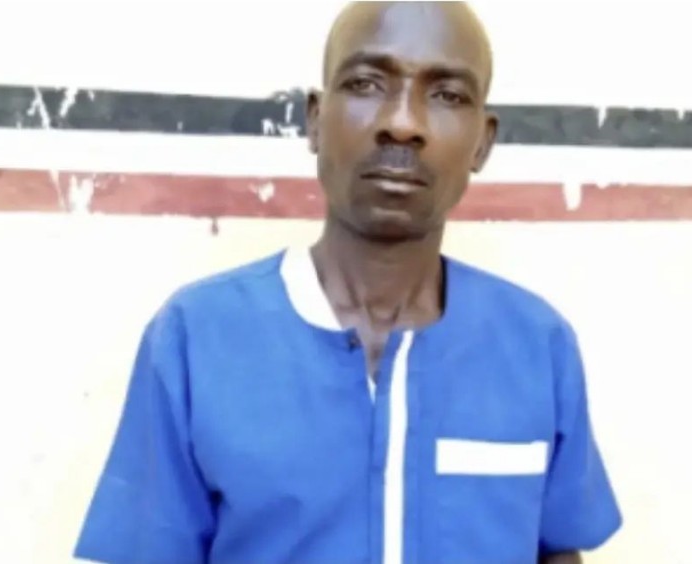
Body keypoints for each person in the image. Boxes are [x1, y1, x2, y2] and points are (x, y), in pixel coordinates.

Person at [74, 2, 622, 563]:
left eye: (447, 95)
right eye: (366, 83)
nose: (403, 123)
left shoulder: (536, 345)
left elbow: (558, 552)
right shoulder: (197, 337)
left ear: (483, 142)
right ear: (315, 119)